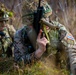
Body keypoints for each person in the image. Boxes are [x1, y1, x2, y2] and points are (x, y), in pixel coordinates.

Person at [14, 0, 76, 75]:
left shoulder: (59, 30)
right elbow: (18, 63)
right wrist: (38, 53)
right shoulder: (20, 35)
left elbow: (73, 55)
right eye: (30, 25)